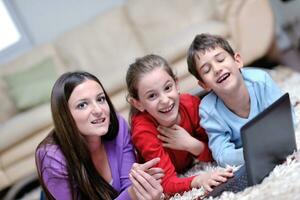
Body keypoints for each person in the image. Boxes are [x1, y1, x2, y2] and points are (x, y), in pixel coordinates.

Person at [35, 71, 164, 200]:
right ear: (65, 116)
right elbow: (131, 193)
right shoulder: (52, 158)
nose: (98, 110)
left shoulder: (118, 125)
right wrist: (134, 193)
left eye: (100, 99)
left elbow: (129, 185)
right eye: (82, 105)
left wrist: (142, 185)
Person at [126, 54, 233, 195]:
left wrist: (191, 144)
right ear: (138, 103)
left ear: (176, 84)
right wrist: (199, 180)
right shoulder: (143, 130)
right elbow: (166, 184)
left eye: (168, 88)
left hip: (188, 164)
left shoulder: (191, 104)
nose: (164, 100)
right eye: (152, 96)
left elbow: (219, 152)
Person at [186, 33, 284, 167]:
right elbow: (221, 155)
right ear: (204, 85)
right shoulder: (208, 110)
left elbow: (286, 119)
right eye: (207, 70)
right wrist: (253, 152)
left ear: (237, 61)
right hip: (246, 152)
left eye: (220, 60)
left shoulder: (261, 81)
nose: (217, 69)